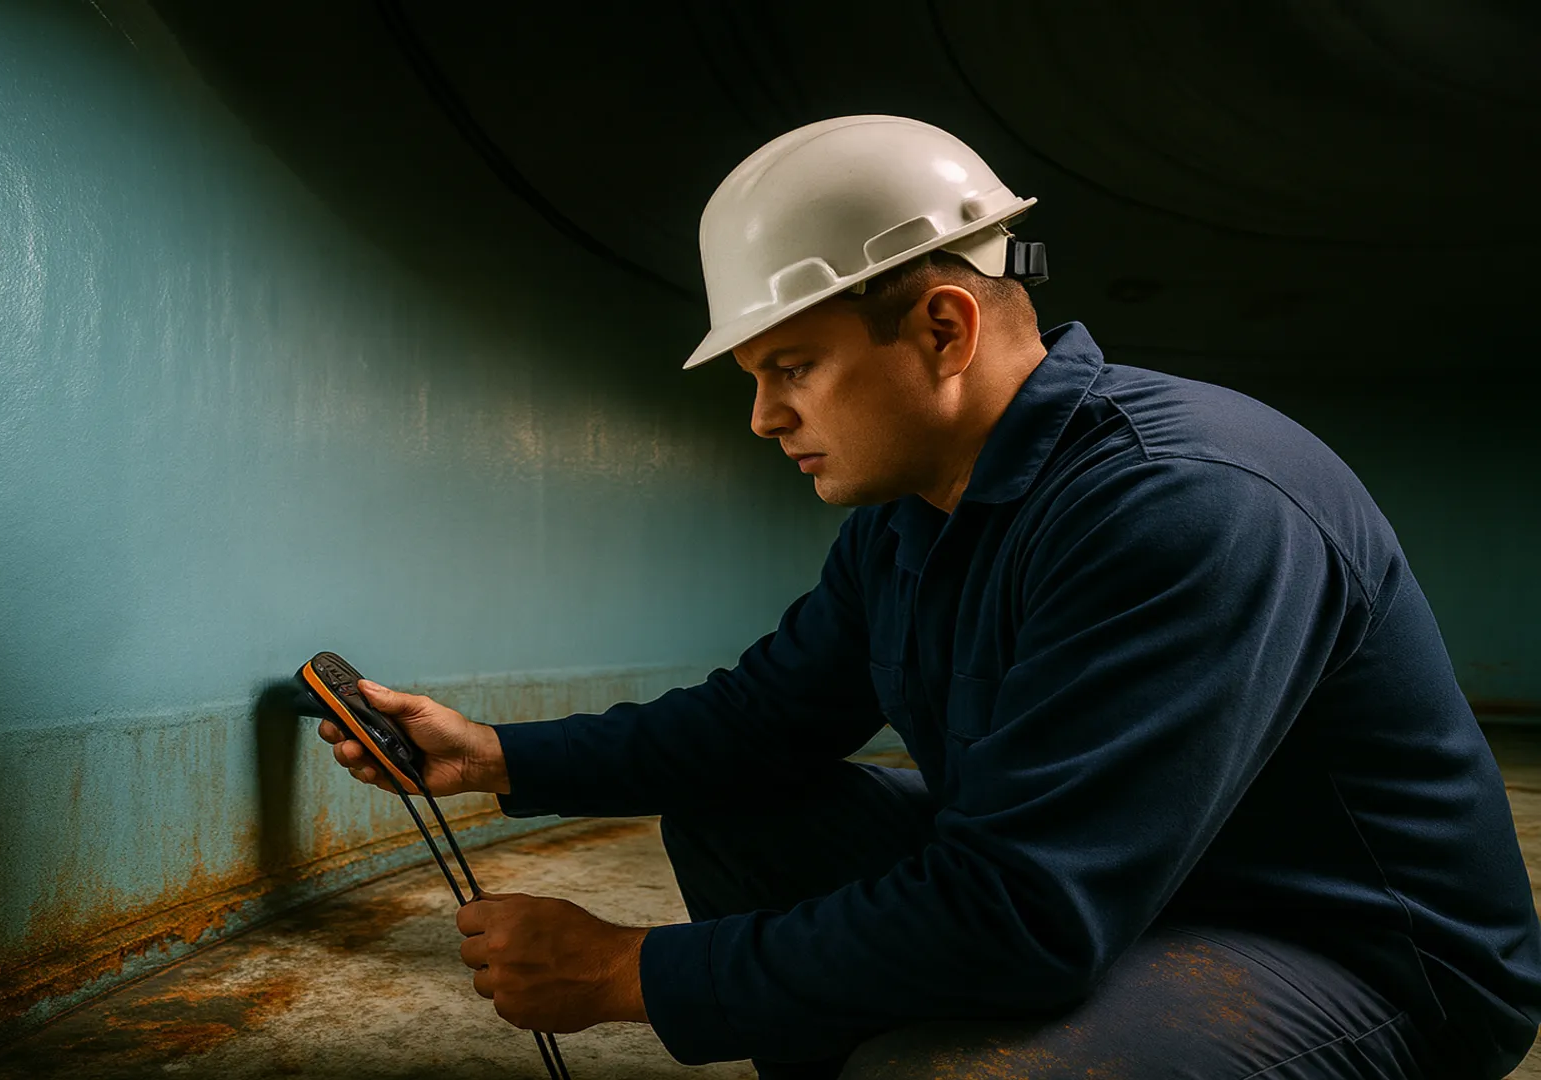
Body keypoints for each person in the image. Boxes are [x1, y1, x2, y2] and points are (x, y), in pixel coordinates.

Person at [316, 116, 1541, 1078]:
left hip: (1353, 956)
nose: (762, 415)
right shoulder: (919, 511)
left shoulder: (1186, 505)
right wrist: (489, 756)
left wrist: (636, 972)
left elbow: (1023, 909)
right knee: (741, 807)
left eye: (791, 367)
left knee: (948, 1069)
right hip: (1132, 890)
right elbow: (755, 724)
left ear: (945, 330)